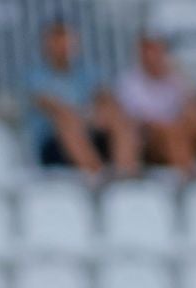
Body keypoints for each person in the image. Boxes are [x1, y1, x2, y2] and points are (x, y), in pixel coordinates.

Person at [114, 34, 196, 180]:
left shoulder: (176, 78)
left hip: (180, 131)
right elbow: (135, 120)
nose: (153, 57)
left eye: (157, 51)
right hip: (150, 139)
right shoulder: (129, 82)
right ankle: (188, 178)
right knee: (170, 131)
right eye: (148, 51)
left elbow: (192, 107)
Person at [26, 20, 136, 179]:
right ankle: (97, 176)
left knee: (115, 116)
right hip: (55, 147)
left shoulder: (87, 73)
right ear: (47, 44)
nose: (63, 46)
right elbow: (53, 106)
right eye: (58, 41)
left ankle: (125, 174)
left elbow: (105, 99)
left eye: (67, 40)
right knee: (66, 121)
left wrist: (99, 114)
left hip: (89, 134)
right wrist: (85, 116)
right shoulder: (36, 76)